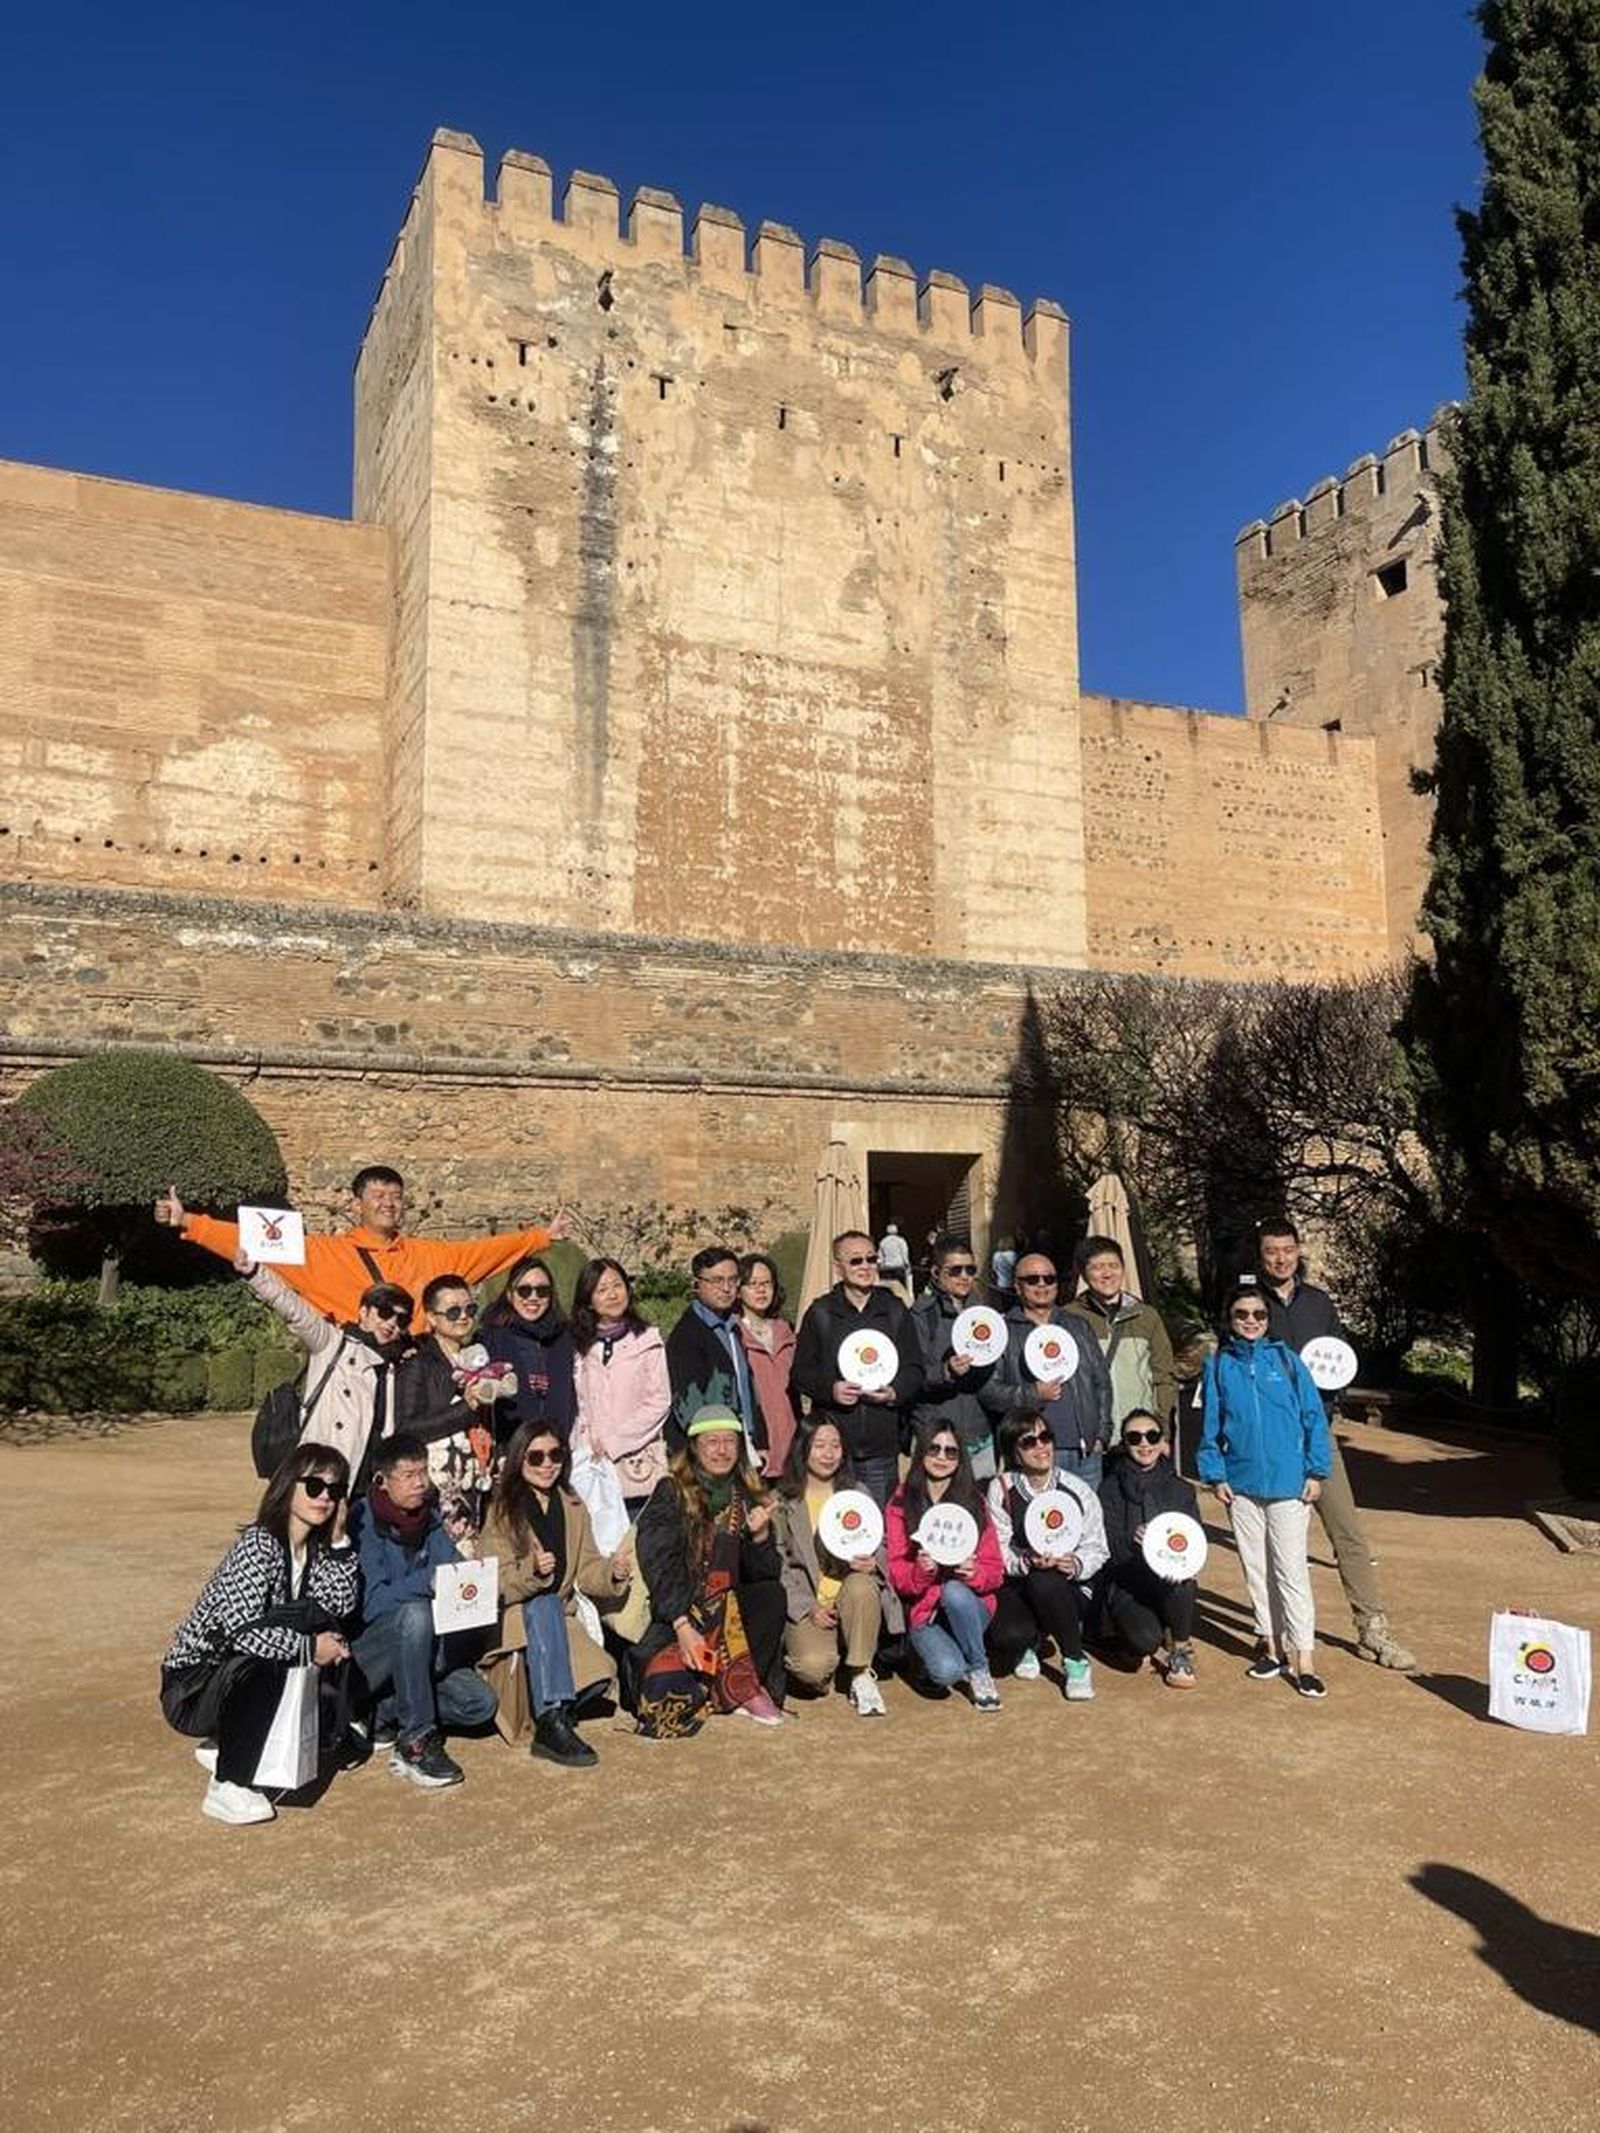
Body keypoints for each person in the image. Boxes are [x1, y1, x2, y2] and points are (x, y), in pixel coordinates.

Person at [161, 1441, 359, 1825]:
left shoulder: (315, 1550)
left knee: (326, 1641)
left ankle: (228, 1742)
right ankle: (228, 1783)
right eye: (314, 1487)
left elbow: (340, 1605)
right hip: (192, 1686)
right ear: (288, 1485)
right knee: (266, 1658)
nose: (326, 1498)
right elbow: (241, 1632)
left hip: (234, 1678)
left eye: (335, 1491)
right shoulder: (258, 1545)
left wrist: (338, 1542)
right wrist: (308, 1648)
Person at [1256, 1220, 1419, 1671]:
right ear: (1261, 1255)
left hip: (1315, 1436)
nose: (1280, 1259)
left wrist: (1330, 1400)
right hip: (1267, 1438)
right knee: (1274, 1538)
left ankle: (1372, 1629)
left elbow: (1338, 1360)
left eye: (1287, 1250)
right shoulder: (1249, 1307)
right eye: (1271, 1251)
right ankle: (1271, 1633)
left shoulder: (1319, 1304)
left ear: (1297, 1251)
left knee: (1347, 1531)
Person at [155, 1164, 568, 1330]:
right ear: (358, 1204)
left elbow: (486, 1251)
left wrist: (540, 1237)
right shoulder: (321, 1252)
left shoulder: (431, 1256)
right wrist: (189, 1221)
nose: (388, 1203)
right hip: (354, 1379)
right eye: (378, 1195)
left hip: (416, 1381)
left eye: (395, 1195)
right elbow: (252, 1239)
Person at [1198, 1284, 1332, 1699]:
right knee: (1256, 1570)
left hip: (1289, 1484)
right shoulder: (1219, 1365)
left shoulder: (1288, 1362)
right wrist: (1215, 1474)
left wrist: (1317, 1471)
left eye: (1258, 1314)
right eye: (1242, 1314)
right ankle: (1272, 1648)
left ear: (1267, 1319)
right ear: (1230, 1319)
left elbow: (1314, 1418)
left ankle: (1303, 1659)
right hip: (1241, 1486)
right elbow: (1212, 1427)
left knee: (1291, 1572)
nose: (1251, 1320)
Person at [476, 1421, 633, 1767]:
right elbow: (493, 1582)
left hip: (560, 1619)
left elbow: (588, 1567)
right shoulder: (502, 1510)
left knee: (600, 1678)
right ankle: (551, 1721)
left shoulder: (573, 1504)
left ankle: (550, 1702)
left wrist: (612, 1573)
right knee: (543, 1601)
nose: (547, 1464)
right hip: (517, 1620)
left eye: (555, 1454)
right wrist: (531, 1573)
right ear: (520, 1460)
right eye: (536, 1456)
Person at [348, 1434, 498, 1785]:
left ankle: (381, 1712)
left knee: (479, 1704)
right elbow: (371, 1605)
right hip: (369, 1653)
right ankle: (415, 1742)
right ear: (381, 1482)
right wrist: (426, 1583)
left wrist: (471, 1576)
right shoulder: (363, 1522)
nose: (420, 1483)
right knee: (416, 1613)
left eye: (422, 1473)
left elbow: (450, 1568)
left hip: (420, 1649)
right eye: (409, 1475)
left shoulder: (428, 1517)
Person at [633, 1408, 788, 1738]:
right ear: (694, 1447)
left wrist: (759, 1537)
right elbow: (659, 1563)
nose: (721, 1450)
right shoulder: (671, 1492)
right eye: (712, 1442)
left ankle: (742, 1686)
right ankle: (722, 1686)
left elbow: (764, 1574)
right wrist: (681, 1624)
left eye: (729, 1442)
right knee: (664, 1694)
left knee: (771, 1596)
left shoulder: (746, 1493)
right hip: (682, 1609)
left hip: (730, 1612)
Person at [236, 1246, 411, 1490]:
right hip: (320, 1473)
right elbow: (294, 1310)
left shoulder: (392, 1367)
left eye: (401, 1320)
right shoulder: (332, 1342)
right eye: (384, 1313)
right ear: (363, 1312)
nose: (391, 1323)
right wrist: (255, 1273)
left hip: (366, 1482)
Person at [792, 1230, 923, 1509]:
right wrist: (831, 1389)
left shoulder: (895, 1310)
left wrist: (895, 1392)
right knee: (834, 1524)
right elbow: (801, 1373)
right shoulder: (821, 1313)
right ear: (837, 1267)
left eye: (871, 1259)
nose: (865, 1266)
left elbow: (914, 1368)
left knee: (878, 1529)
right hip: (834, 1448)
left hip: (881, 1446)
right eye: (855, 1261)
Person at [984, 1412, 1108, 1700]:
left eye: (1045, 1437)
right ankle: (1029, 1640)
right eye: (1029, 1442)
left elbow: (1097, 1547)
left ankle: (1075, 1662)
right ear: (1014, 1451)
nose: (1041, 1447)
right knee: (1008, 1635)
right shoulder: (1002, 1488)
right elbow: (1000, 1545)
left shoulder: (1078, 1489)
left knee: (1046, 1581)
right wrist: (1024, 1560)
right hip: (1021, 1580)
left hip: (1069, 1587)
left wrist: (1074, 1563)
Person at [774, 1419, 893, 1716]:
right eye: (820, 1445)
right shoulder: (782, 1501)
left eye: (836, 1445)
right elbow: (778, 1563)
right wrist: (807, 1607)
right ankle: (837, 1651)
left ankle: (860, 1672)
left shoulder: (858, 1492)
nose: (829, 1454)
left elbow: (882, 1543)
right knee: (813, 1670)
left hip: (850, 1595)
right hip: (810, 1602)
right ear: (803, 1450)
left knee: (862, 1586)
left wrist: (873, 1560)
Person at [886, 1417, 1005, 1709]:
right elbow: (897, 1572)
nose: (941, 1457)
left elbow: (996, 1570)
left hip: (969, 1606)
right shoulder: (901, 1503)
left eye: (951, 1451)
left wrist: (976, 1573)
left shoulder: (975, 1502)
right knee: (947, 1672)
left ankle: (978, 1668)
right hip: (925, 1611)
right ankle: (941, 1658)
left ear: (960, 1458)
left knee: (954, 1591)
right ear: (921, 1452)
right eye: (934, 1449)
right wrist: (920, 1572)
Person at [982, 1251, 1113, 1490]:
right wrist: (1033, 1394)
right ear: (1017, 1286)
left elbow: (1101, 1382)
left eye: (1049, 1278)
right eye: (1032, 1279)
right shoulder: (1003, 1331)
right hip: (1031, 1451)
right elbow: (989, 1391)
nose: (1042, 1284)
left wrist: (1102, 1435)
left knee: (1086, 1522)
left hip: (1085, 1451)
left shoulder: (1078, 1326)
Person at [394, 1274, 510, 1539]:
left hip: (479, 1480)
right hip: (439, 1488)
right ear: (432, 1318)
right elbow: (406, 1429)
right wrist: (465, 1408)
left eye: (470, 1309)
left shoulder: (479, 1358)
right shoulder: (417, 1365)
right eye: (453, 1311)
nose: (463, 1317)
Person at [1098, 1408, 1202, 1687]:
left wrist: (1180, 1561)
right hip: (1128, 1582)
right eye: (1135, 1437)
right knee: (1144, 1641)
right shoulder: (1109, 1489)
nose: (1144, 1444)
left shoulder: (1181, 1489)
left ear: (1162, 1441)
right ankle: (1133, 1634)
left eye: (1152, 1435)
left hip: (1167, 1580)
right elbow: (1109, 1547)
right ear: (1125, 1444)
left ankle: (1180, 1650)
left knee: (1185, 1583)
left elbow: (1194, 1541)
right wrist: (1132, 1538)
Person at [570, 1258, 672, 1514]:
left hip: (636, 1463)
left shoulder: (647, 1340)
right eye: (602, 1290)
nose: (612, 1295)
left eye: (617, 1285)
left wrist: (614, 1440)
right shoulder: (578, 1346)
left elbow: (659, 1402)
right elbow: (578, 1403)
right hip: (589, 1465)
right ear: (589, 1300)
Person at [1063, 1235, 1177, 1443]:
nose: (1107, 1274)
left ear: (1123, 1269)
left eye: (1113, 1265)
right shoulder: (1068, 1319)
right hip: (1091, 1438)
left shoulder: (1146, 1316)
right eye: (1097, 1267)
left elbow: (1164, 1377)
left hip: (1140, 1439)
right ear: (1083, 1274)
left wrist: (1163, 1432)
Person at [910, 1234, 1003, 1479]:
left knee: (980, 1507)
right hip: (936, 1435)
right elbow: (912, 1376)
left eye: (970, 1269)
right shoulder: (921, 1316)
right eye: (955, 1270)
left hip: (980, 1434)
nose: (964, 1276)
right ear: (936, 1272)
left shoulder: (987, 1316)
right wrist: (945, 1372)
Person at [666, 1244, 761, 1457]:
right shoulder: (687, 1336)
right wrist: (714, 1448)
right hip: (710, 1452)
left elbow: (746, 1389)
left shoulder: (732, 1327)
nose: (727, 1288)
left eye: (733, 1280)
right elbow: (688, 1405)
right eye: (717, 1280)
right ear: (697, 1284)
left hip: (740, 1443)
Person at [477, 1253, 578, 1443]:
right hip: (510, 1444)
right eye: (524, 1290)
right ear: (509, 1294)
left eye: (542, 1291)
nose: (533, 1298)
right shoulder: (490, 1338)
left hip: (557, 1446)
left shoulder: (564, 1338)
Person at [736, 1252, 800, 1478]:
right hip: (759, 1445)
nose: (761, 1290)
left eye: (766, 1283)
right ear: (738, 1289)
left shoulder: (786, 1330)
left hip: (792, 1442)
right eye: (752, 1284)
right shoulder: (733, 1334)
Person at [876, 1220, 912, 1300]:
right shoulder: (901, 1241)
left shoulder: (883, 1242)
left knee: (889, 1288)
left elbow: (880, 1256)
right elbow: (904, 1254)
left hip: (887, 1268)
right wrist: (907, 1264)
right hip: (899, 1267)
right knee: (900, 1288)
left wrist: (880, 1266)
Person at [990, 1236, 1017, 1301]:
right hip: (1011, 1284)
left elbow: (994, 1269)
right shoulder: (1013, 1254)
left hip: (1000, 1284)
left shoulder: (996, 1255)